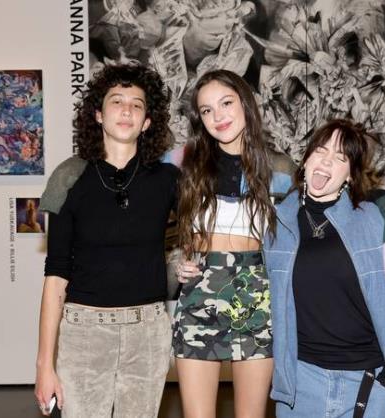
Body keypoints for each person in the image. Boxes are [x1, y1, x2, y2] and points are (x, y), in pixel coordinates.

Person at [263, 119, 385, 418]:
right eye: (320, 151)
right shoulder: (278, 224)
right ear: (306, 160)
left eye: (340, 158)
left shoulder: (383, 220)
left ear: (350, 175)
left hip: (366, 384)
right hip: (300, 385)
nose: (326, 161)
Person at [34, 63, 179, 418]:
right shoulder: (69, 177)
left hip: (148, 334)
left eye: (137, 104)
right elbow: (55, 275)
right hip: (84, 334)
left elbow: (208, 229)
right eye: (117, 101)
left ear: (147, 122)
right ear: (98, 115)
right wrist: (43, 364)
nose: (126, 109)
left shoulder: (169, 180)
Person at [172, 69, 294, 418]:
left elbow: (293, 241)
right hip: (199, 291)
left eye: (225, 103)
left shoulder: (280, 167)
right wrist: (176, 261)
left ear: (245, 104)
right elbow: (150, 229)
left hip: (257, 293)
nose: (218, 116)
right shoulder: (183, 165)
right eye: (207, 110)